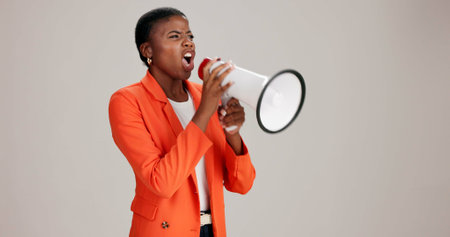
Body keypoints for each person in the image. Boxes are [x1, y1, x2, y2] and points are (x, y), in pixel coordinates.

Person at [108, 7, 256, 237]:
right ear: (148, 50)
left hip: (212, 229)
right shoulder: (127, 101)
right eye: (175, 36)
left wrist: (233, 135)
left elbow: (242, 185)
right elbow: (162, 183)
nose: (188, 43)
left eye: (190, 36)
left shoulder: (204, 95)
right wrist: (206, 109)